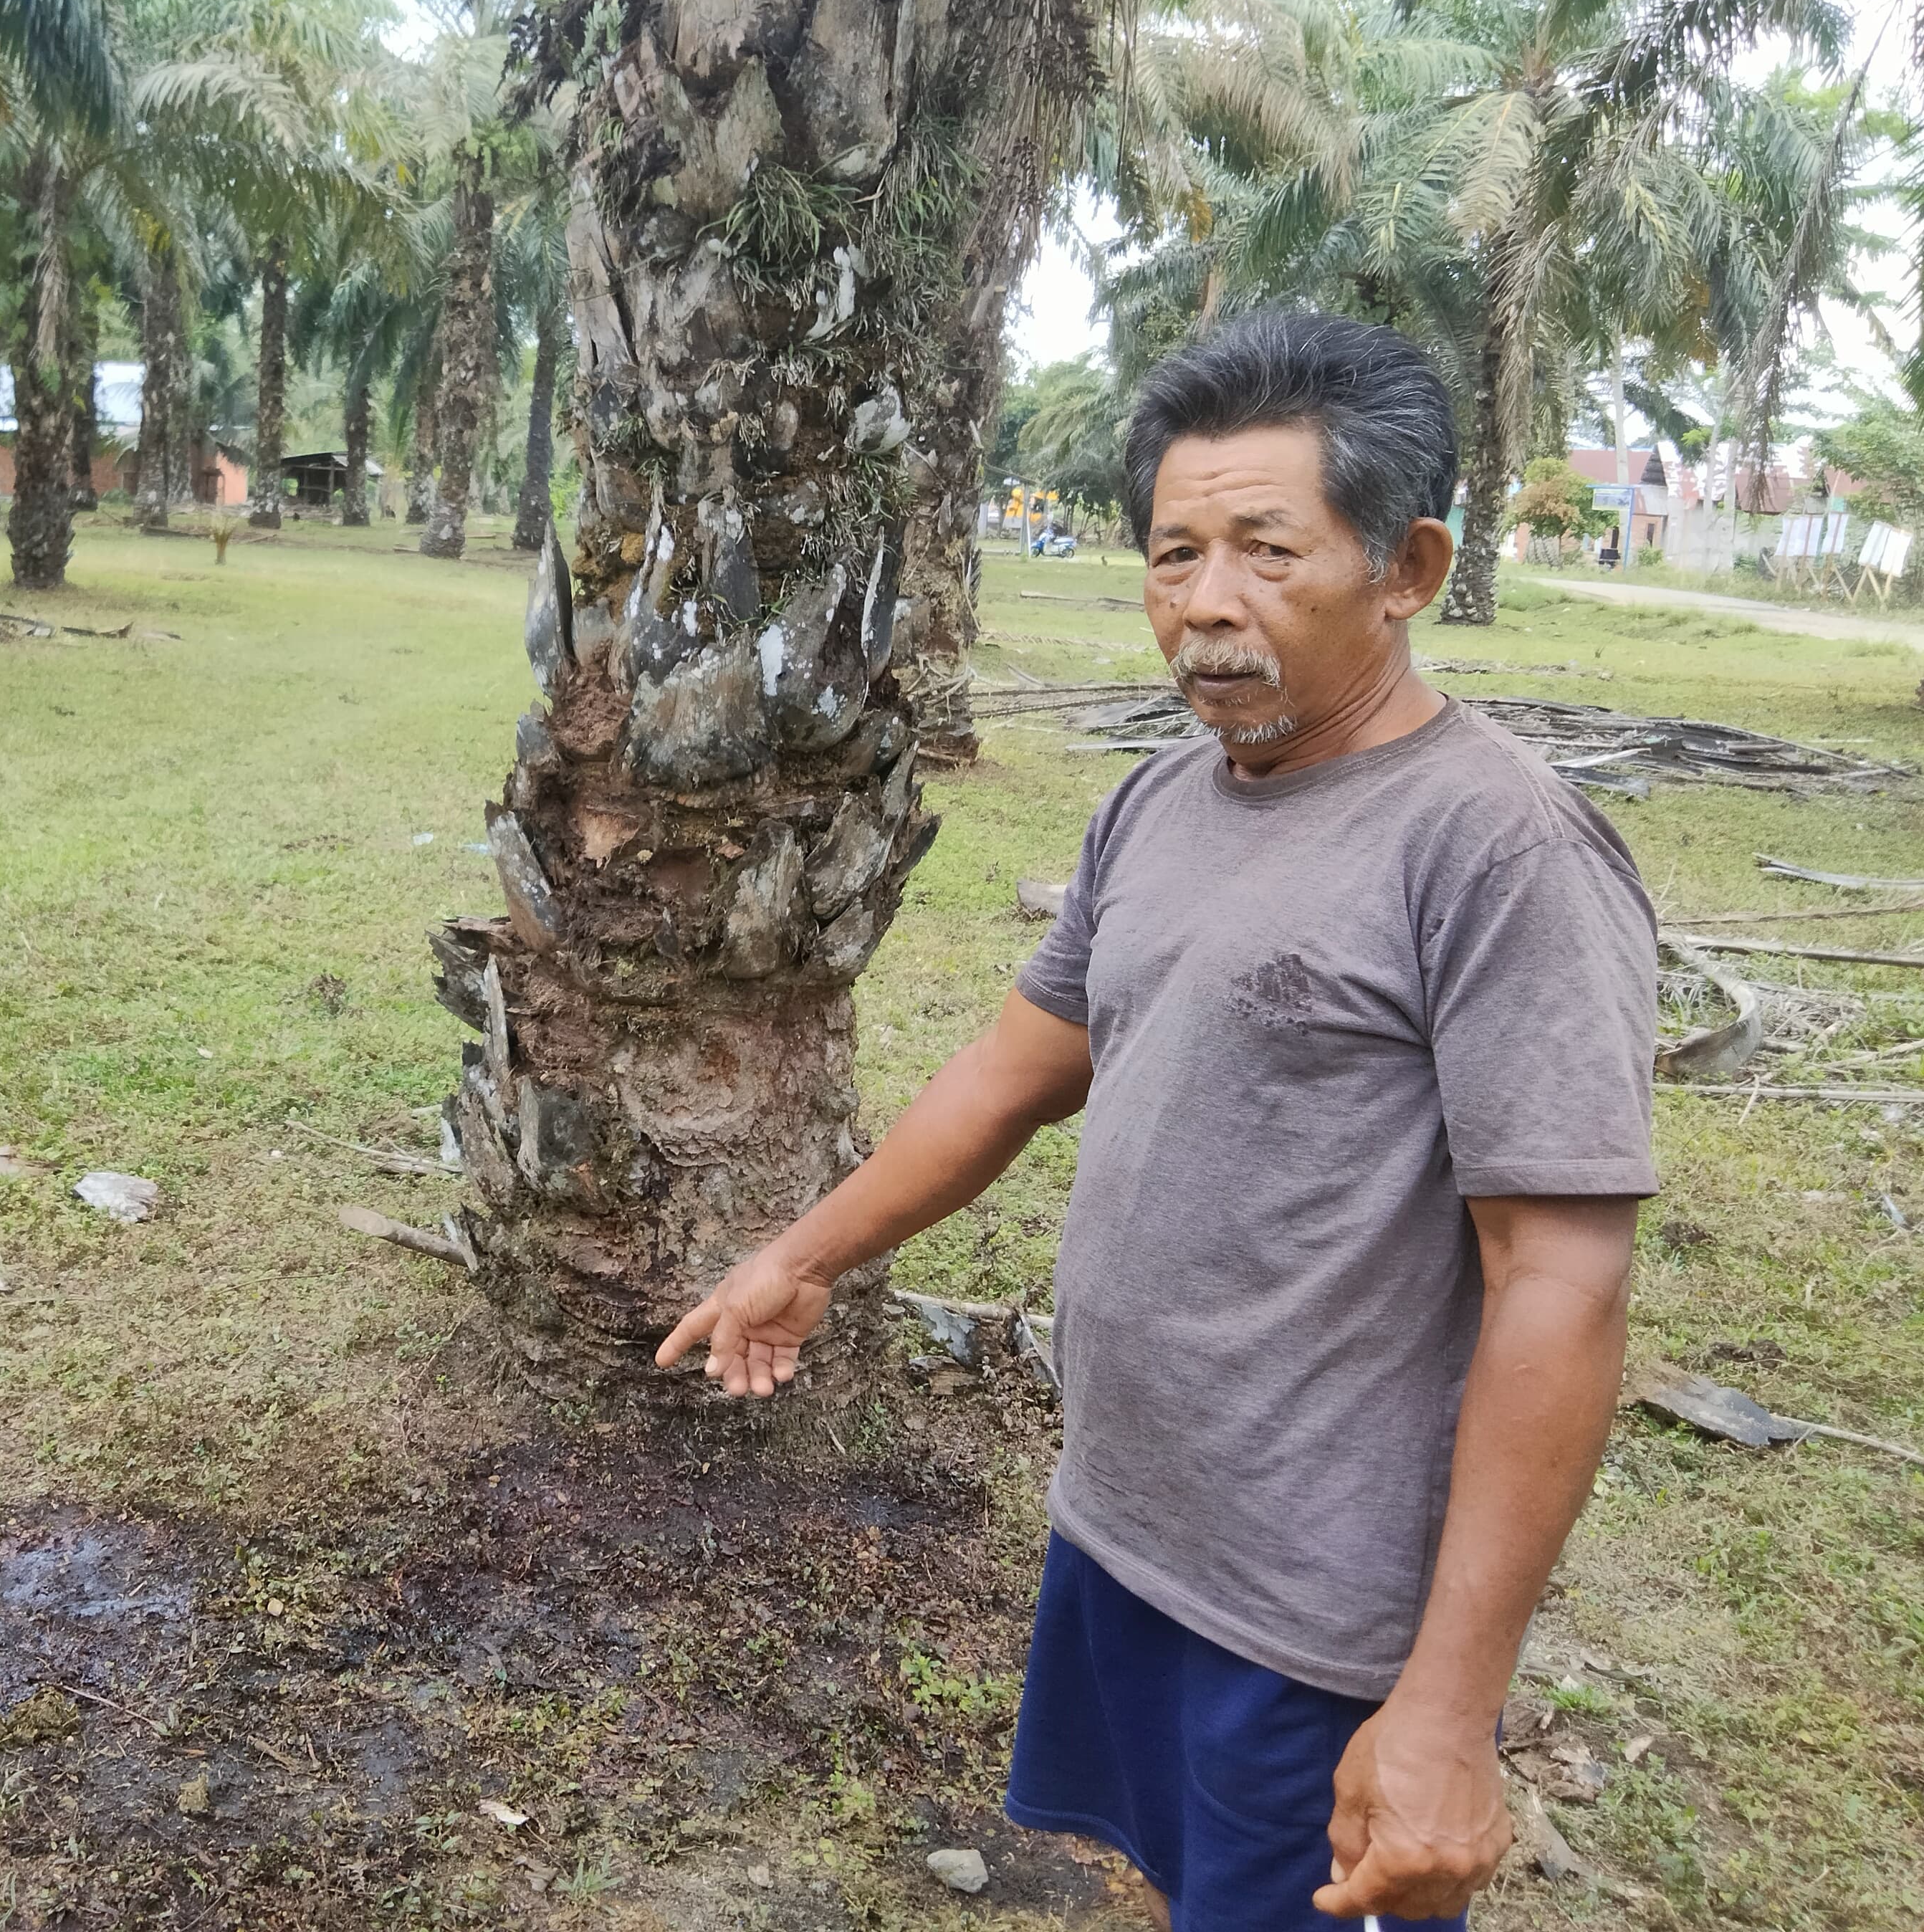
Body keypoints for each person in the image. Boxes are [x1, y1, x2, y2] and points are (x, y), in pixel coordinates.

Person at [656, 310, 1656, 1930]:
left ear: (1404, 568)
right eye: (1172, 553)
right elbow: (1013, 1070)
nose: (1204, 606)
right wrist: (804, 1255)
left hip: (1317, 1610)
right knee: (1184, 1885)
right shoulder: (1163, 795)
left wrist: (1449, 1710)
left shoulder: (1495, 851)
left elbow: (1560, 1278)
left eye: (1268, 550)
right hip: (1133, 1525)